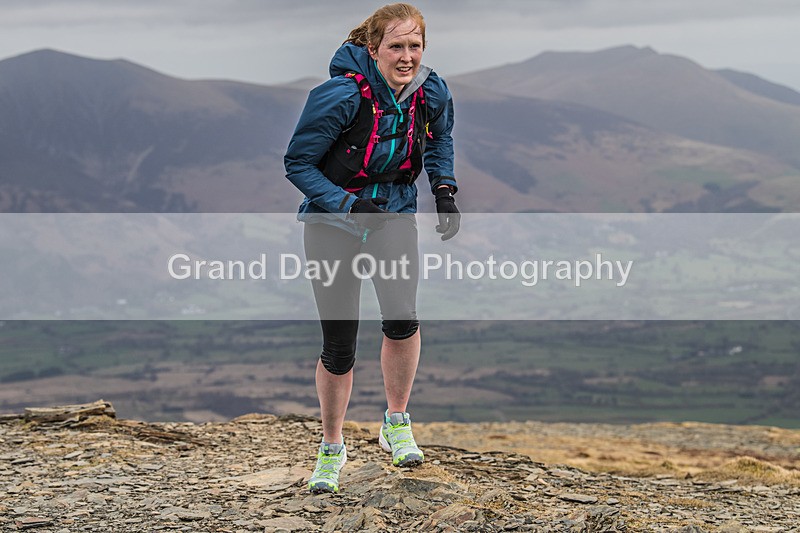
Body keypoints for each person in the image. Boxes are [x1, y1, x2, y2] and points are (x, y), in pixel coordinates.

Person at [284, 3, 460, 494]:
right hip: (331, 222)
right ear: (373, 48)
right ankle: (331, 448)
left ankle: (396, 422)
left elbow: (439, 138)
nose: (407, 56)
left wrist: (444, 190)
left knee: (402, 319)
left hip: (394, 214)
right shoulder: (340, 95)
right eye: (396, 46)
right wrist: (347, 205)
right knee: (339, 343)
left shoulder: (431, 90)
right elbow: (297, 163)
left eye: (415, 46)